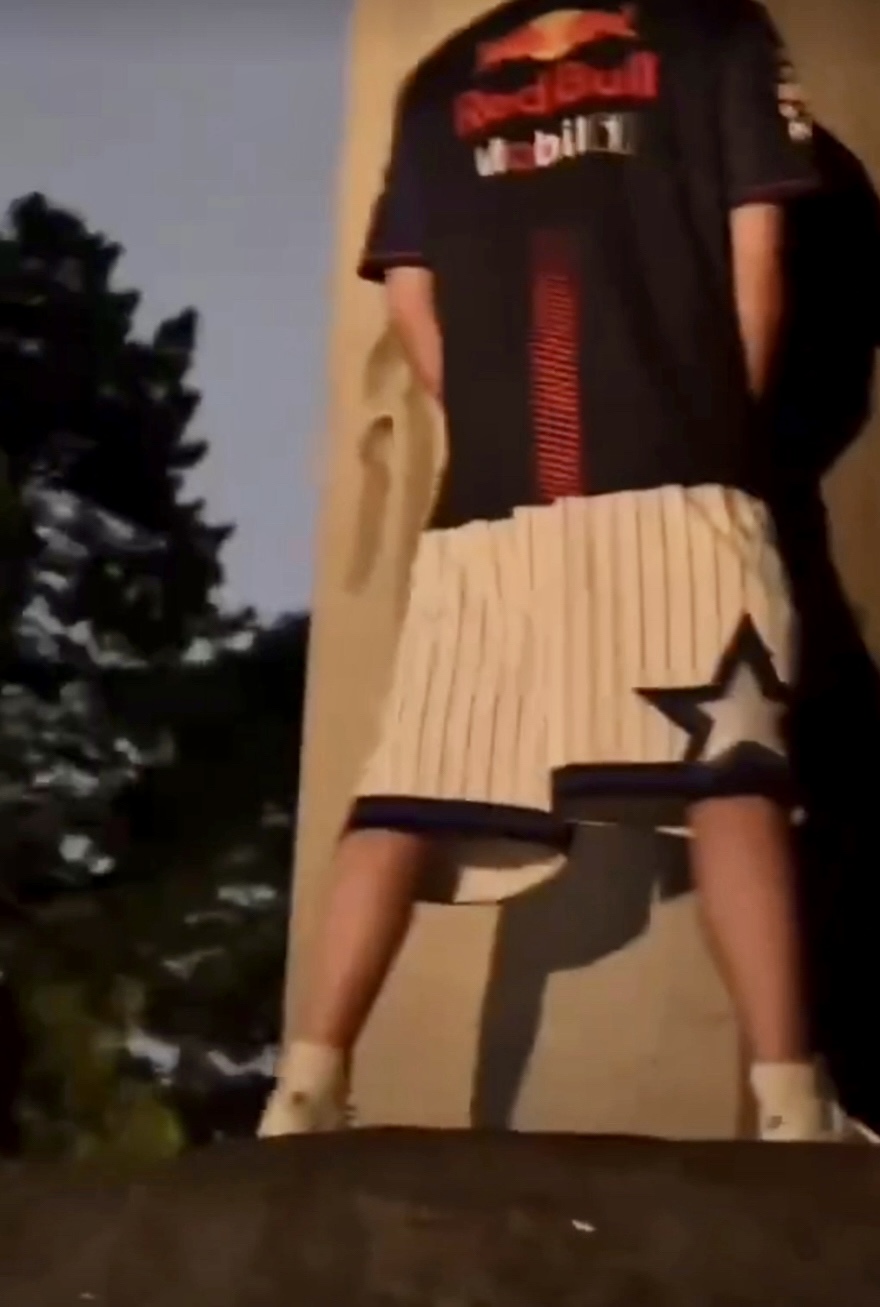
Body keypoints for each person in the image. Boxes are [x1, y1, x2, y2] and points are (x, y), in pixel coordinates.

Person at [260, 0, 874, 1142]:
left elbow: (412, 299)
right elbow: (759, 251)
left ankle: (304, 1083)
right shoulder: (718, 32)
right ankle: (791, 1098)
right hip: (682, 472)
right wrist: (725, 431)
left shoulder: (443, 73)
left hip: (491, 504)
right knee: (733, 772)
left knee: (409, 783)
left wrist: (494, 430)